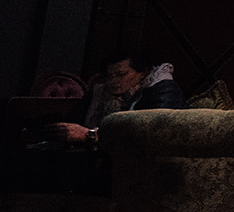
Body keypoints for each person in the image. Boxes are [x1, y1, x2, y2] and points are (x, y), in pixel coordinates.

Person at [50, 50, 185, 145]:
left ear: (142, 73)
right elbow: (73, 120)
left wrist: (90, 135)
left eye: (121, 75)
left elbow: (153, 132)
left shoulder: (162, 90)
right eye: (110, 76)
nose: (113, 81)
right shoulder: (101, 90)